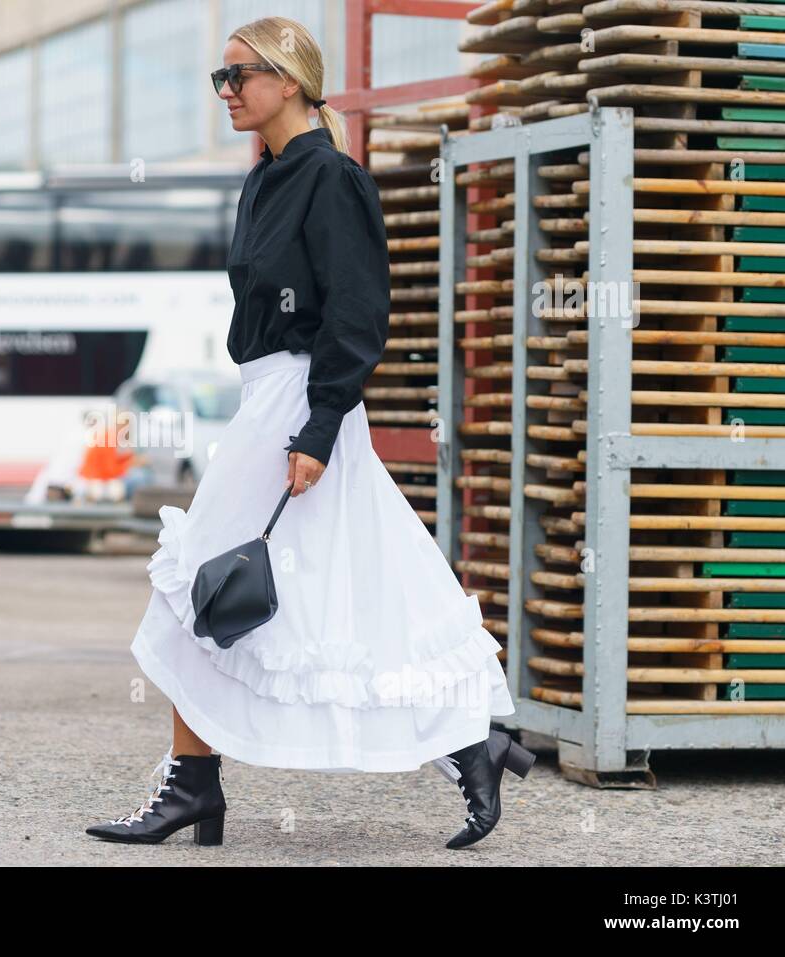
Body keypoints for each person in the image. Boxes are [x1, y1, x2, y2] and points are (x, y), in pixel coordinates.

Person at [85, 15, 533, 850]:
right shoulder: (264, 176)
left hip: (298, 400)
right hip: (268, 395)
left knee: (199, 586)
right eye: (218, 79)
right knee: (356, 584)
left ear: (288, 80)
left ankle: (193, 786)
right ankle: (472, 742)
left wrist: (319, 425)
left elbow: (358, 313)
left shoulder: (333, 178)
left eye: (238, 76)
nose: (225, 92)